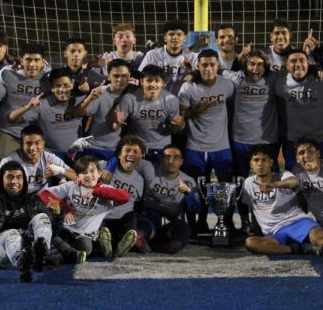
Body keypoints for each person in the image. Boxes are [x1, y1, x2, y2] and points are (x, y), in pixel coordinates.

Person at [0, 160, 61, 282]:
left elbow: (53, 232)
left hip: (28, 244)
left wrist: (57, 215)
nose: (15, 181)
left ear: (24, 180)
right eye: (10, 177)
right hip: (1, 248)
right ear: (1, 180)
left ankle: (40, 252)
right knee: (11, 233)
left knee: (42, 218)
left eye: (19, 177)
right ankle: (23, 263)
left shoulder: (33, 199)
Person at [222, 49, 280, 232]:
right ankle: (245, 221)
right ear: (245, 66)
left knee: (268, 183)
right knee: (240, 183)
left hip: (267, 141)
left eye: (260, 64)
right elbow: (214, 70)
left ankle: (268, 220)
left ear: (266, 66)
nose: (256, 68)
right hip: (240, 140)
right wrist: (192, 74)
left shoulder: (274, 79)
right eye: (252, 64)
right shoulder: (237, 78)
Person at [178, 49, 235, 231]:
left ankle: (226, 223)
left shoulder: (227, 85)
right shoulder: (188, 87)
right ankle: (196, 223)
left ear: (218, 65)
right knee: (195, 187)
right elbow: (182, 116)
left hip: (221, 144)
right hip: (196, 145)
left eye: (212, 64)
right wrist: (198, 109)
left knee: (225, 186)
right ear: (198, 66)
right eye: (204, 65)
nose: (208, 68)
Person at [39, 156, 131, 263]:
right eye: (83, 172)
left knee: (86, 249)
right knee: (47, 233)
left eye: (92, 171)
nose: (88, 175)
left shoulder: (106, 190)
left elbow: (125, 197)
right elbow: (43, 193)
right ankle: (57, 253)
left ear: (99, 173)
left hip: (82, 235)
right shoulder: (71, 186)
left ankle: (56, 253)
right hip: (63, 229)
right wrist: (64, 208)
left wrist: (95, 191)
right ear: (78, 176)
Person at [239, 146, 323, 256]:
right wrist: (258, 233)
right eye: (256, 160)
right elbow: (254, 210)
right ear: (251, 164)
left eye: (264, 159)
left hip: (297, 223)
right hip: (274, 233)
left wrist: (274, 185)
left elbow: (294, 182)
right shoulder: (248, 183)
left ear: (271, 162)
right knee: (251, 243)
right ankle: (296, 249)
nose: (260, 163)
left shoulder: (283, 175)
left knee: (320, 235)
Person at [274, 49, 323, 170]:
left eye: (302, 61)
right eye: (293, 61)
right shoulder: (280, 83)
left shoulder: (321, 78)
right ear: (287, 66)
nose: (298, 64)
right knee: (295, 179)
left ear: (308, 64)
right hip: (295, 139)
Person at [112, 65, 185, 164]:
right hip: (136, 146)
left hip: (161, 147)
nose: (153, 84)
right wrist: (115, 120)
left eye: (157, 81)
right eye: (149, 80)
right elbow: (115, 127)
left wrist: (178, 125)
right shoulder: (129, 98)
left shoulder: (171, 100)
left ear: (163, 83)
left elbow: (174, 130)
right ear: (142, 81)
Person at [9, 68, 82, 161]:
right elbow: (11, 119)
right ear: (52, 88)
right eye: (58, 86)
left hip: (76, 154)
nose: (62, 89)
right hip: (51, 155)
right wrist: (27, 107)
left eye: (66, 85)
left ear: (72, 85)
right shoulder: (41, 105)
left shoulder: (80, 102)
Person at [137, 145, 199, 254]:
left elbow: (195, 208)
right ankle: (139, 240)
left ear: (181, 162)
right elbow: (125, 157)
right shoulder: (149, 168)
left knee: (184, 228)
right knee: (141, 227)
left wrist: (189, 193)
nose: (171, 161)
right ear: (162, 158)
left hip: (169, 225)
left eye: (175, 158)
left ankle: (171, 246)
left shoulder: (188, 181)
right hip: (148, 219)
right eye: (167, 157)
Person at [97, 135, 153, 257]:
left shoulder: (139, 180)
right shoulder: (102, 166)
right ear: (118, 154)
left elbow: (138, 202)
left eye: (135, 151)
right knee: (94, 216)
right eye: (127, 150)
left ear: (141, 156)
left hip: (121, 222)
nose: (131, 154)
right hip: (101, 219)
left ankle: (124, 242)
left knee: (132, 216)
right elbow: (81, 173)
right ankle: (104, 241)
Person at [73, 59, 134, 165]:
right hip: (93, 146)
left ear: (129, 76)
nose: (120, 79)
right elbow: (77, 113)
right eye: (116, 76)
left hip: (116, 151)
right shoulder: (100, 93)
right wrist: (90, 98)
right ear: (108, 76)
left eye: (124, 76)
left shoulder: (133, 94)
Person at [0, 43, 48, 157]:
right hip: (9, 134)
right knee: (8, 167)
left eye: (36, 60)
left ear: (43, 62)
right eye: (28, 60)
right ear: (21, 60)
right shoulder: (7, 74)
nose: (32, 64)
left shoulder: (49, 80)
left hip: (35, 137)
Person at [0, 124, 76, 195]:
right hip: (18, 197)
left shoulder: (49, 158)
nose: (32, 148)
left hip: (41, 199)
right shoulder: (10, 160)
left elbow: (76, 177)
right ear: (21, 144)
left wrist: (59, 170)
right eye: (28, 143)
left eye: (37, 143)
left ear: (43, 144)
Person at [138, 20, 197, 96]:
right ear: (165, 38)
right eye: (171, 34)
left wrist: (192, 71)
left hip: (184, 99)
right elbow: (141, 77)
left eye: (179, 34)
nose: (175, 37)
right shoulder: (152, 55)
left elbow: (201, 78)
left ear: (185, 38)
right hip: (158, 99)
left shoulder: (191, 56)